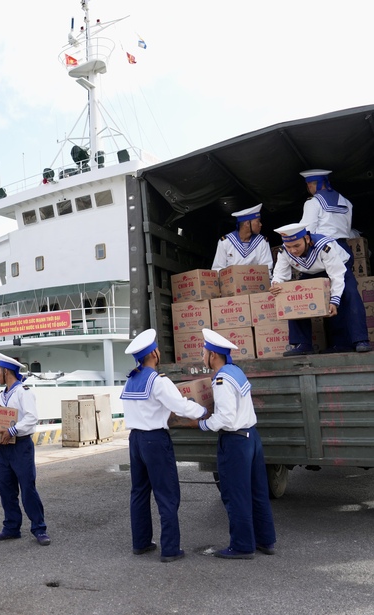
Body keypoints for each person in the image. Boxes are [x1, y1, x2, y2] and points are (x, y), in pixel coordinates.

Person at [120, 329, 208, 563]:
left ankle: (141, 543)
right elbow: (181, 407)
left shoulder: (130, 380)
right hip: (155, 441)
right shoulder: (159, 382)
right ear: (154, 354)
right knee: (167, 494)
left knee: (139, 493)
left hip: (135, 440)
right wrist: (203, 410)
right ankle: (170, 549)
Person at [192, 329, 276, 559]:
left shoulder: (221, 379)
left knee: (235, 494)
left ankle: (242, 546)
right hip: (251, 437)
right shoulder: (236, 371)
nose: (202, 356)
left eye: (204, 352)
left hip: (235, 441)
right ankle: (265, 540)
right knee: (258, 492)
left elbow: (226, 418)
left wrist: (202, 424)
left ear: (213, 355)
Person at [270, 223, 370, 355]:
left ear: (307, 239)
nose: (293, 250)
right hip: (311, 272)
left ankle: (360, 340)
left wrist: (334, 300)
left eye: (297, 246)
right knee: (294, 297)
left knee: (350, 294)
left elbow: (336, 275)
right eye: (289, 247)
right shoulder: (284, 251)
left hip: (339, 268)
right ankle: (303, 344)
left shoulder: (324, 246)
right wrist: (276, 284)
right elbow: (280, 273)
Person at [0, 352, 51, 546]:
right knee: (5, 488)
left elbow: (32, 417)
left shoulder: (24, 392)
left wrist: (13, 430)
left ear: (6, 372)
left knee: (27, 487)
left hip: (21, 445)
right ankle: (11, 527)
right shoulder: (1, 395)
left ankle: (39, 528)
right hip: (5, 446)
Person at [299, 169, 353, 255]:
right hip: (344, 249)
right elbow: (348, 228)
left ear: (309, 185)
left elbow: (308, 230)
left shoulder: (313, 202)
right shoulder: (346, 202)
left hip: (325, 250)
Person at [211, 204, 273, 272]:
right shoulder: (225, 242)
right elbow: (218, 269)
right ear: (247, 223)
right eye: (258, 221)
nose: (260, 224)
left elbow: (266, 269)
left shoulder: (262, 242)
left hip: (255, 278)